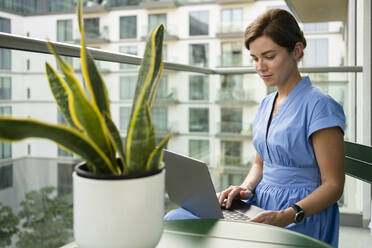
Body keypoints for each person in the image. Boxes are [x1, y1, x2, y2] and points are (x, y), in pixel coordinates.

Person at [164, 8, 345, 247]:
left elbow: (333, 186)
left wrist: (284, 216)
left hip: (300, 214)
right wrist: (244, 188)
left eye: (269, 56)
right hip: (259, 204)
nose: (260, 66)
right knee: (175, 219)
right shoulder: (265, 104)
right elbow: (260, 163)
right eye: (255, 58)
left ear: (297, 51)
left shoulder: (321, 106)